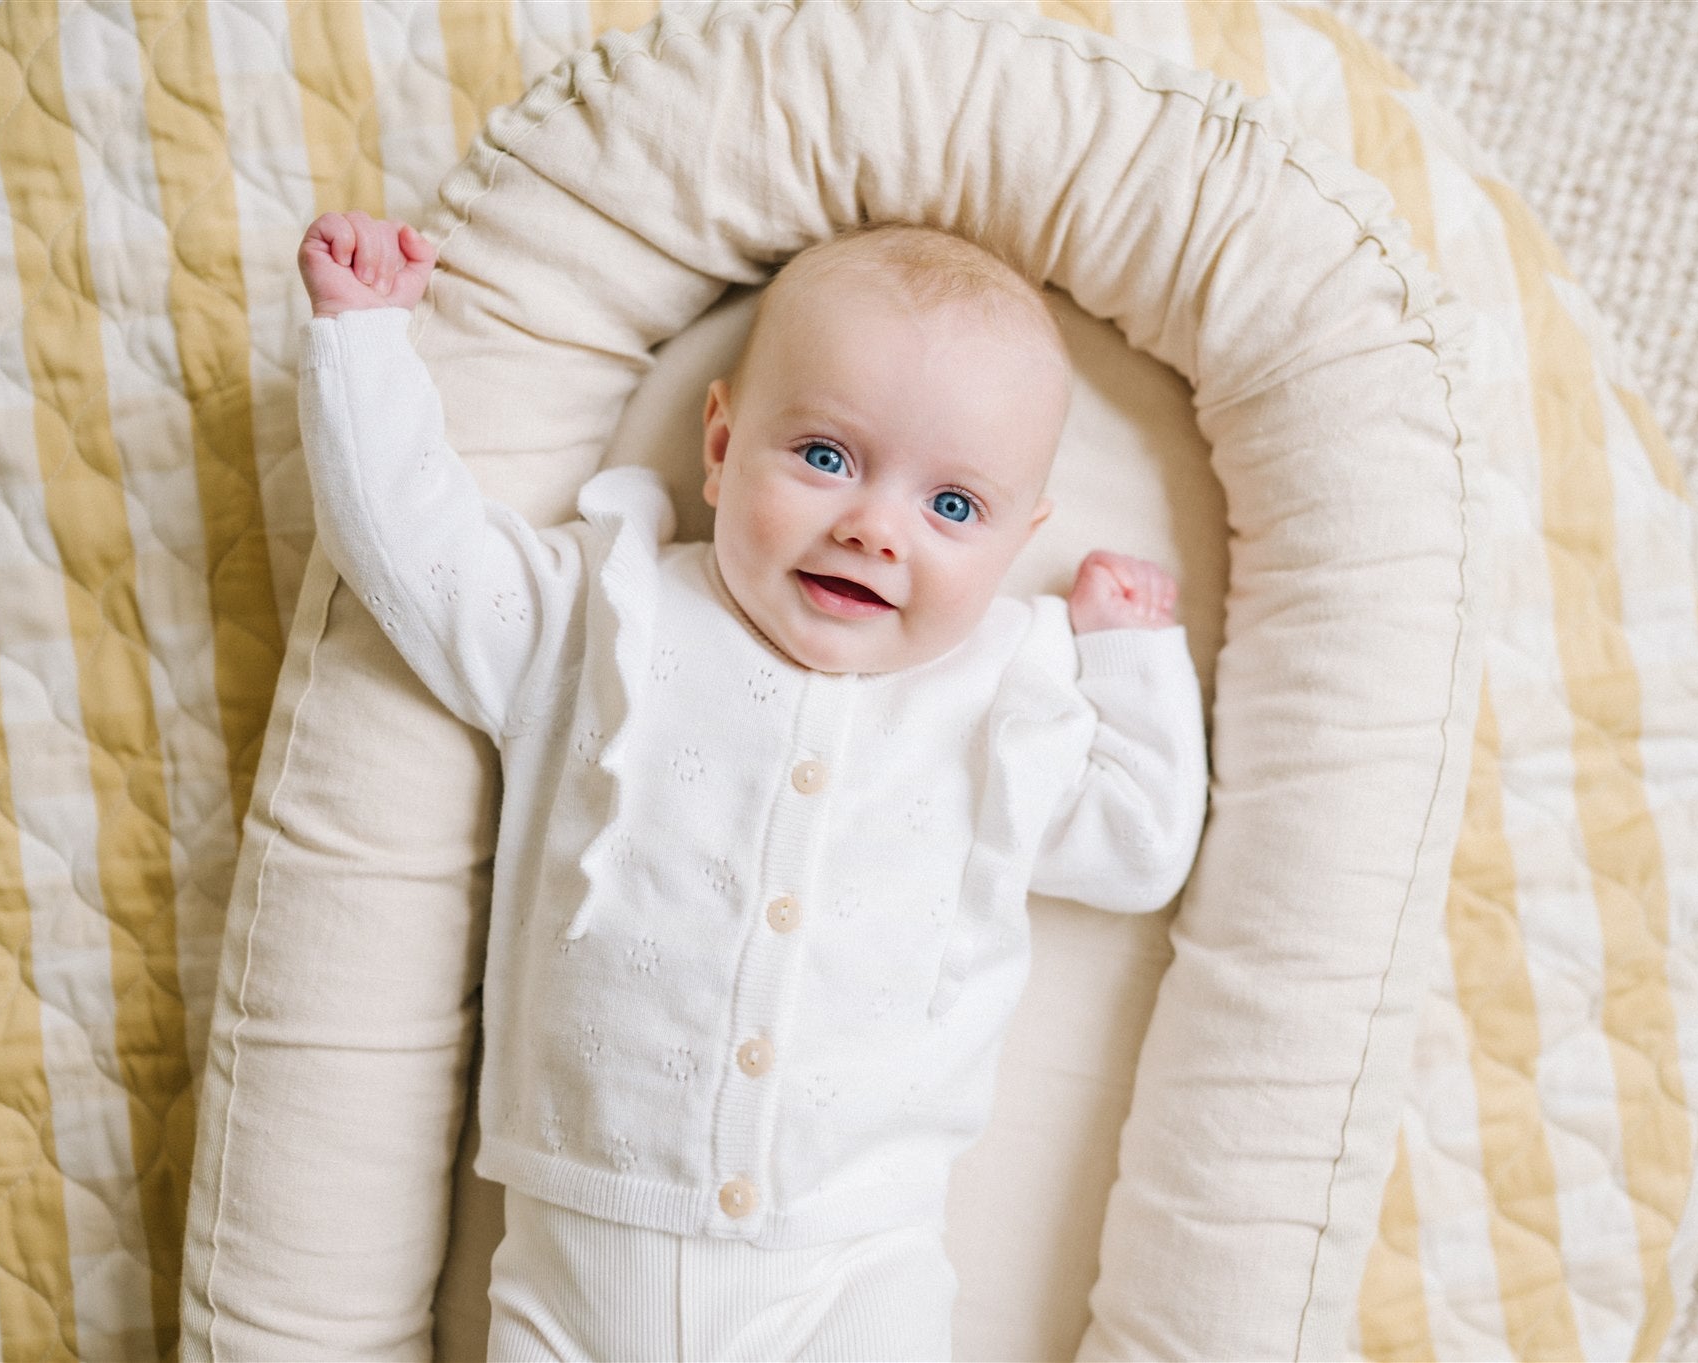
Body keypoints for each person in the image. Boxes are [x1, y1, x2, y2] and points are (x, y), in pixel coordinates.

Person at [293, 210, 1209, 1360]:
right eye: (825, 457)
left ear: (1020, 535)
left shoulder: (996, 702)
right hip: (580, 1256)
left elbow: (1137, 844)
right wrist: (362, 343)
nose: (876, 528)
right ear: (720, 449)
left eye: (953, 507)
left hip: (849, 1265)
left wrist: (1127, 658)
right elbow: (419, 564)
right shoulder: (605, 612)